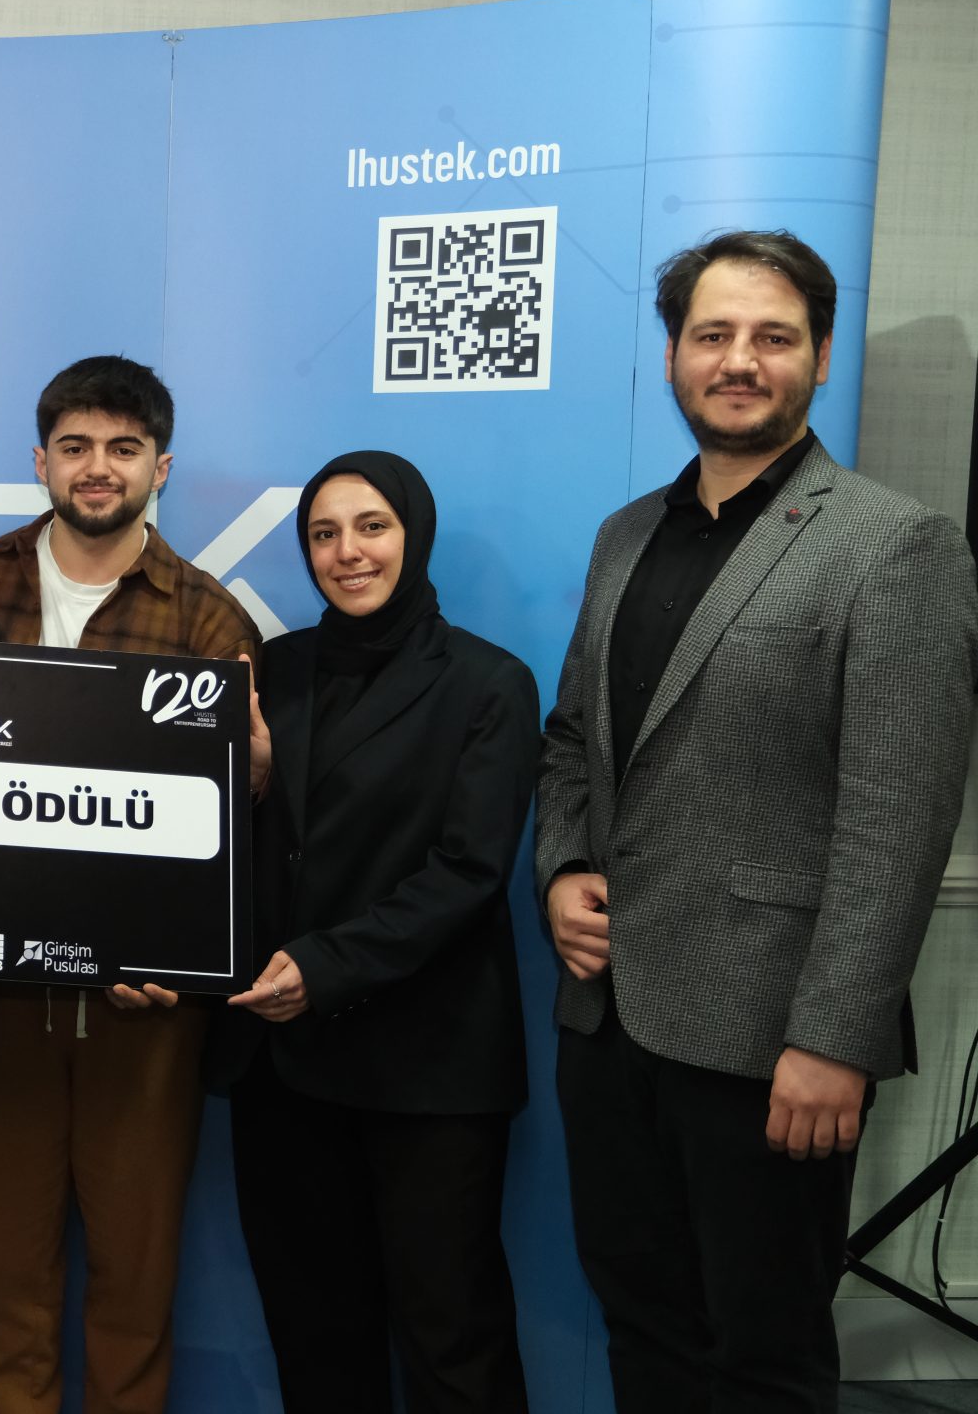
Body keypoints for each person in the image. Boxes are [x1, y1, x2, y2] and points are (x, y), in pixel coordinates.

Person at [538, 228, 978, 1410]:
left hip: (771, 1040)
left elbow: (898, 815)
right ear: (673, 355)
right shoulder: (623, 534)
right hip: (607, 1021)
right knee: (642, 1322)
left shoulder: (896, 544)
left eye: (772, 337)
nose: (738, 359)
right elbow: (572, 737)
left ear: (820, 357)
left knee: (764, 1357)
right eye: (712, 334)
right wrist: (563, 866)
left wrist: (834, 1036)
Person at [0, 355, 264, 1414]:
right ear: (40, 461)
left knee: (135, 1275)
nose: (97, 467)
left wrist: (252, 775)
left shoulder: (207, 617)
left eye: (123, 447)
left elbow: (228, 827)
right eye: (75, 446)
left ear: (160, 466)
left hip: (145, 1009)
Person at [206, 450, 534, 1412]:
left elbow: (469, 872)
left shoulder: (489, 681)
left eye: (371, 526)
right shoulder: (272, 670)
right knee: (315, 1342)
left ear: (413, 533)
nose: (347, 552)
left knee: (451, 1340)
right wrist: (247, 784)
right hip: (283, 1069)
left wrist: (324, 966)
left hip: (428, 1068)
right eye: (323, 533)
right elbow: (229, 848)